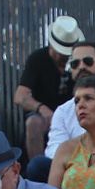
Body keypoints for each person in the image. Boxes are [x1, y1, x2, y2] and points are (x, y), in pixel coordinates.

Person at [15, 16, 81, 160]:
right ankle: (38, 167)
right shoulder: (38, 59)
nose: (63, 57)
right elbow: (20, 96)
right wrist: (41, 108)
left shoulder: (78, 60)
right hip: (44, 115)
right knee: (33, 123)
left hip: (73, 111)